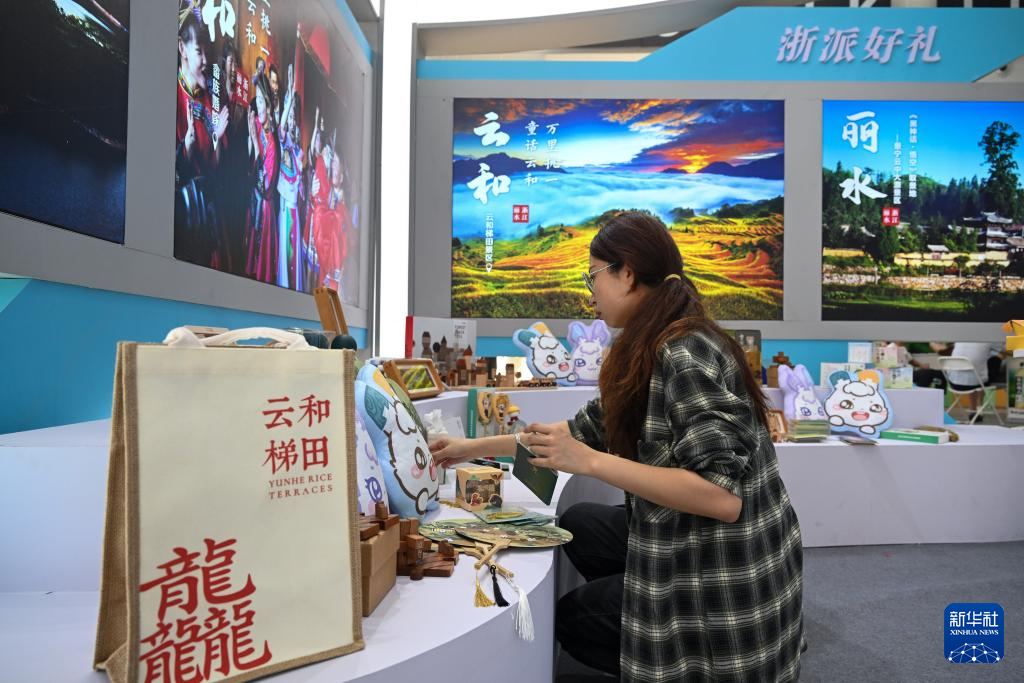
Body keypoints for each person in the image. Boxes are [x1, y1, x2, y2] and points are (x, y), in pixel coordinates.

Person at [430, 211, 804, 681]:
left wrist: (590, 462)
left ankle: (671, 641)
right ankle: (635, 596)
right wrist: (469, 447)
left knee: (574, 619)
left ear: (626, 273)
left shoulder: (684, 351)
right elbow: (578, 431)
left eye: (593, 276)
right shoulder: (649, 345)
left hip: (727, 578)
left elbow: (721, 498)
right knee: (581, 523)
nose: (590, 292)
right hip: (695, 539)